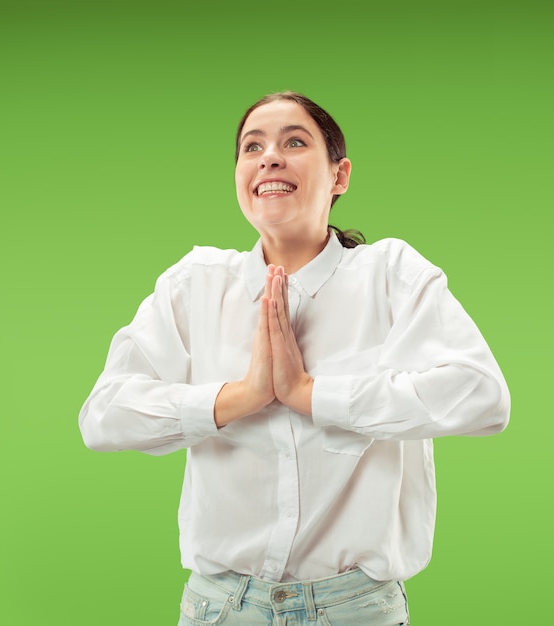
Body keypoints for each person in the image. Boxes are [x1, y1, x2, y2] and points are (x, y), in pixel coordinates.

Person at [79, 91, 510, 625]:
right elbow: (103, 416)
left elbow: (483, 397)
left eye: (295, 142)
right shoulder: (195, 284)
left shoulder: (391, 275)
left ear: (339, 175)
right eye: (251, 146)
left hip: (355, 610)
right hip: (219, 609)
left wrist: (311, 394)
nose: (269, 157)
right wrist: (239, 397)